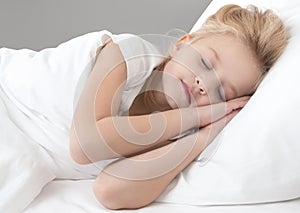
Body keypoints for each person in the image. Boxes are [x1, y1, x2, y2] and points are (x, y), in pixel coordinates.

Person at [68, 4, 287, 210]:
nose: (203, 84)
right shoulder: (127, 56)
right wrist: (198, 116)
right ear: (182, 43)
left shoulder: (179, 132)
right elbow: (83, 147)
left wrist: (205, 135)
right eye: (205, 63)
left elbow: (109, 190)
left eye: (220, 92)